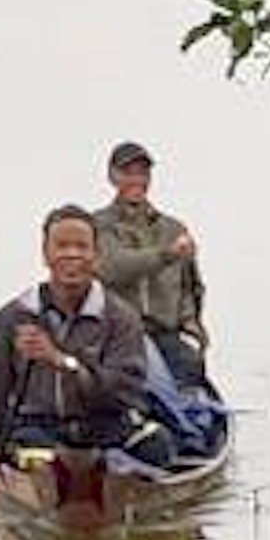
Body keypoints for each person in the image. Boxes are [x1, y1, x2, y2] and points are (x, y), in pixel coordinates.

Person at [0, 205, 164, 500]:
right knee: (34, 460)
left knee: (159, 446)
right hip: (40, 428)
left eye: (81, 247)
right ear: (46, 255)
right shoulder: (13, 317)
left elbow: (125, 393)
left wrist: (61, 362)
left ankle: (114, 495)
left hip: (105, 425)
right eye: (62, 246)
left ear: (96, 255)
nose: (72, 255)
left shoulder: (121, 318)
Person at [92, 140, 208, 387]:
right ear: (112, 176)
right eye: (127, 172)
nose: (136, 179)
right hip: (117, 337)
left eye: (142, 173)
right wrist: (167, 254)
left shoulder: (174, 228)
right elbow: (113, 267)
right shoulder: (98, 225)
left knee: (192, 381)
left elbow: (189, 286)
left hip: (165, 335)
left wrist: (191, 322)